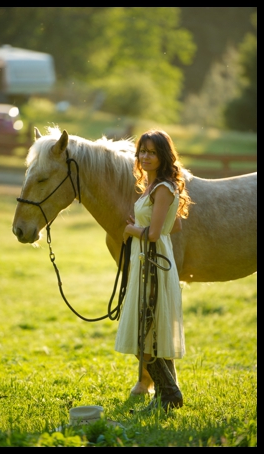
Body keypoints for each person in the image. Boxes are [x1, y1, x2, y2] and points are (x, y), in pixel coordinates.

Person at [114, 129, 192, 412]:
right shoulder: (155, 186)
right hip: (147, 261)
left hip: (153, 264)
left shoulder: (161, 188)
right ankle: (166, 396)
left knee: (142, 334)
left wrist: (132, 229)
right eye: (141, 152)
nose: (145, 157)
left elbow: (156, 233)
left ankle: (169, 394)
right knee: (152, 332)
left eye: (151, 152)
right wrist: (143, 224)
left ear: (162, 156)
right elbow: (177, 225)